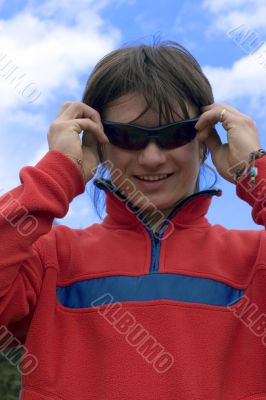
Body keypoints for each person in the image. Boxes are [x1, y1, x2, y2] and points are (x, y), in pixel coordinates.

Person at [0, 39, 265, 400]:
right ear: (97, 142)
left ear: (204, 140)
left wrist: (255, 170)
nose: (153, 158)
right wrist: (57, 175)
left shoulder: (255, 261)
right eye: (128, 136)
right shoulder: (50, 259)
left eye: (175, 134)